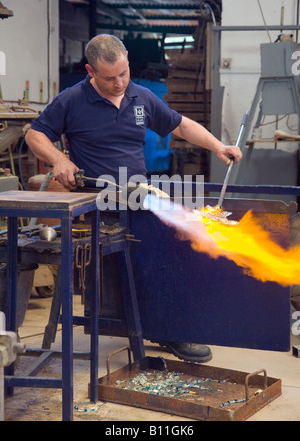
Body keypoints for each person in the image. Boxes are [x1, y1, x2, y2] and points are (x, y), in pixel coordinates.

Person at [25, 34, 242, 363]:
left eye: (123, 73)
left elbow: (180, 126)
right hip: (96, 205)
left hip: (138, 196)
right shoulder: (71, 100)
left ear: (127, 61)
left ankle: (167, 324)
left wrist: (218, 146)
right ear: (90, 71)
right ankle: (166, 329)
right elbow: (34, 134)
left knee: (183, 238)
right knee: (156, 247)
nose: (119, 83)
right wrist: (59, 159)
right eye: (110, 77)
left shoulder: (140, 97)